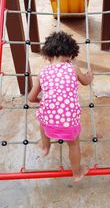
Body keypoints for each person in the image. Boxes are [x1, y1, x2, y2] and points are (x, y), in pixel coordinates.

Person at [28, 31, 93, 182]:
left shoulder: (43, 72)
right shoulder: (74, 69)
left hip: (49, 123)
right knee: (74, 144)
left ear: (47, 56)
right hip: (69, 122)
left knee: (42, 117)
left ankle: (45, 147)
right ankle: (76, 173)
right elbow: (85, 81)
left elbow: (31, 98)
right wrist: (90, 76)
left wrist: (42, 101)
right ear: (70, 56)